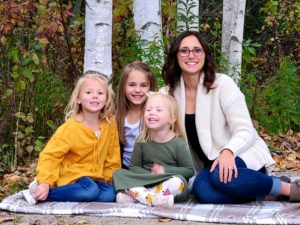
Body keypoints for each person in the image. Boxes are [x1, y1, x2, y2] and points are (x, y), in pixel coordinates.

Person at [162, 30, 300, 203]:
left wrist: (228, 151)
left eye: (197, 50)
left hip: (241, 154)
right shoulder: (170, 94)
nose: (191, 55)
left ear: (205, 55)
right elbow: (150, 111)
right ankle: (266, 192)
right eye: (184, 50)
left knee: (219, 176)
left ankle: (290, 189)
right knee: (201, 190)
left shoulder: (222, 84)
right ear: (176, 56)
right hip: (210, 168)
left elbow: (245, 130)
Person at [22, 73, 121, 204]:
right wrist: (45, 182)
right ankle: (38, 192)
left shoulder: (109, 123)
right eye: (89, 92)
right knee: (90, 191)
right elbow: (50, 156)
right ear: (78, 98)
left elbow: (112, 154)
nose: (95, 96)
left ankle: (83, 194)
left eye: (100, 93)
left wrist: (109, 179)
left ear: (107, 99)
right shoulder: (70, 128)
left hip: (96, 178)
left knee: (108, 195)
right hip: (71, 177)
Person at [113, 92, 194, 207]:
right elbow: (134, 167)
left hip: (167, 181)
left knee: (179, 182)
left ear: (172, 118)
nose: (152, 113)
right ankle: (154, 199)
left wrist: (164, 171)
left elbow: (189, 170)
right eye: (148, 110)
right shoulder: (141, 139)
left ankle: (138, 196)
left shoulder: (178, 143)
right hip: (145, 180)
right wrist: (149, 175)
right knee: (118, 173)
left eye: (158, 110)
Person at [116, 61, 157, 169]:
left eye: (143, 85)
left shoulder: (155, 115)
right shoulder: (118, 116)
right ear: (123, 87)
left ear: (150, 87)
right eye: (132, 85)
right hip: (126, 168)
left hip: (151, 168)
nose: (137, 90)